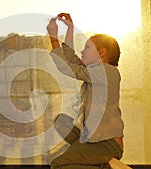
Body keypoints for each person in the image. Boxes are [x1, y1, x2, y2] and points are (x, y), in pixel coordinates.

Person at [46, 13, 124, 169]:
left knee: (58, 164)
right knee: (61, 122)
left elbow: (67, 68)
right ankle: (92, 158)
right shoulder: (95, 72)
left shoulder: (107, 72)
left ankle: (102, 164)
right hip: (91, 138)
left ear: (101, 52)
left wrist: (54, 38)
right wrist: (70, 28)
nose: (82, 51)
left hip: (106, 143)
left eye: (87, 48)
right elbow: (70, 58)